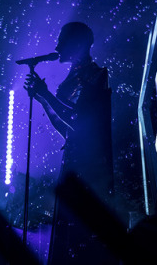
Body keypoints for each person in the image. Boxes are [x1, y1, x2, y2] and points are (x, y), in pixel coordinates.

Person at [24, 22, 116, 264]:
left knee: (81, 237)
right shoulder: (75, 76)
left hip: (91, 171)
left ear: (77, 43)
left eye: (62, 40)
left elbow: (79, 121)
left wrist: (44, 95)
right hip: (75, 165)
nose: (57, 46)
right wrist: (42, 98)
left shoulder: (96, 76)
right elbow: (67, 129)